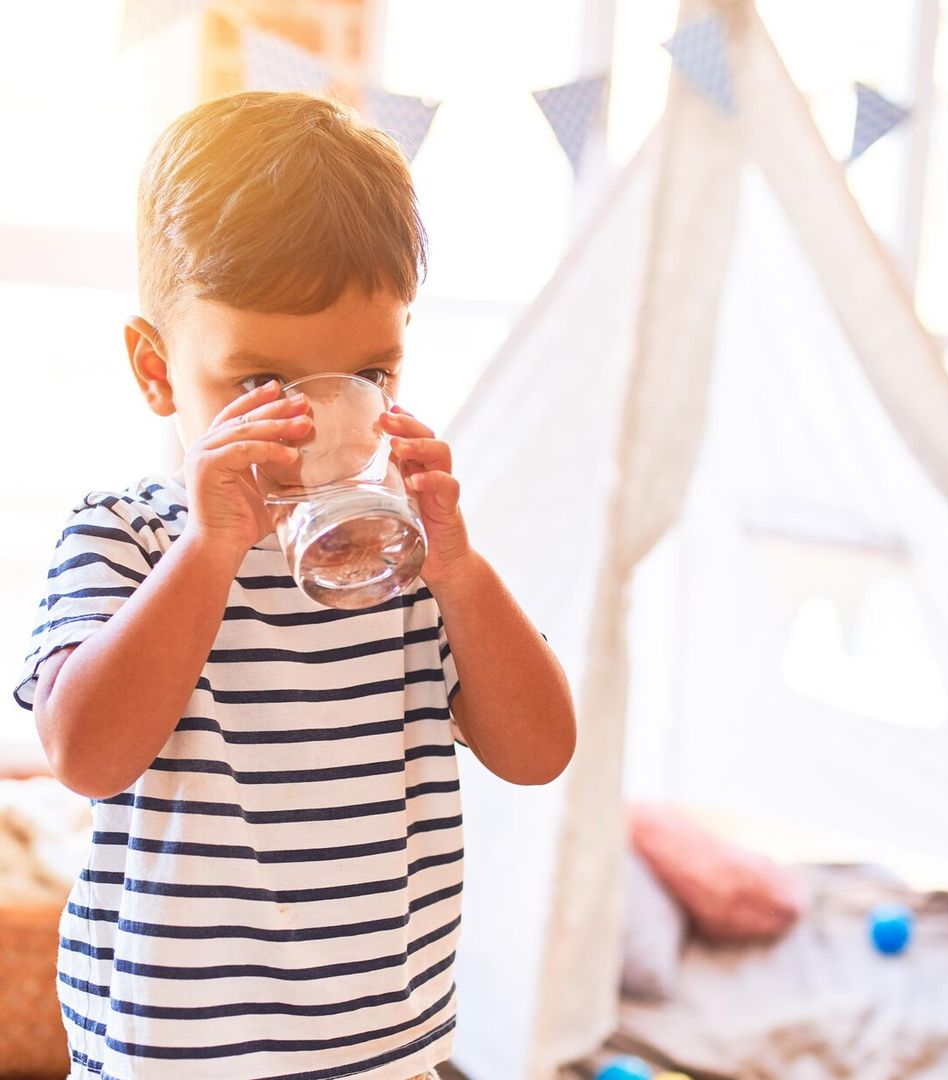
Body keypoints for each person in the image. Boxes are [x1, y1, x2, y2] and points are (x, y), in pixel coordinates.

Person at [13, 91, 576, 1080]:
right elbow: (89, 756)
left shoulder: (404, 560)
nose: (315, 427)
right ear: (155, 369)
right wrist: (208, 551)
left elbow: (538, 753)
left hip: (390, 1052)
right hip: (183, 1056)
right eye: (259, 386)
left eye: (366, 373)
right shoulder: (128, 540)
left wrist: (461, 571)